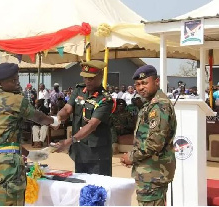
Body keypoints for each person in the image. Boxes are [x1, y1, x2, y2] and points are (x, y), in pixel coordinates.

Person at [0, 63, 58, 206]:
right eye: (13, 80)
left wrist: (27, 153)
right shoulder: (16, 100)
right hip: (7, 165)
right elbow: (39, 117)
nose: (17, 83)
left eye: (17, 79)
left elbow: (4, 137)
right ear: (0, 83)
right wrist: (55, 120)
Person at [120, 65, 177, 206]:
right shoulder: (150, 105)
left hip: (153, 173)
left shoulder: (159, 107)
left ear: (156, 81)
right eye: (137, 84)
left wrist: (131, 157)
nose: (140, 88)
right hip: (150, 170)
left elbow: (154, 143)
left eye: (145, 83)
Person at [54, 60, 114, 176]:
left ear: (101, 76)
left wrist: (68, 141)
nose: (87, 81)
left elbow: (91, 125)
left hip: (97, 154)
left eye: (91, 78)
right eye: (85, 78)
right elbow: (67, 109)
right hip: (80, 150)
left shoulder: (105, 99)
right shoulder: (79, 90)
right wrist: (57, 118)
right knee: (81, 186)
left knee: (98, 189)